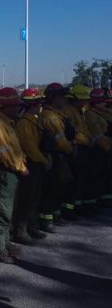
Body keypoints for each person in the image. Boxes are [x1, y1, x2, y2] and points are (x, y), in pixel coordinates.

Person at [0, 88, 29, 263]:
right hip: (3, 170)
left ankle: (6, 242)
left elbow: (14, 148)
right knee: (2, 210)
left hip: (10, 170)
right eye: (13, 105)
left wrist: (20, 164)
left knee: (9, 209)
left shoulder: (6, 122)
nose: (17, 109)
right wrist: (20, 167)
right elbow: (5, 152)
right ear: (4, 106)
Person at [15, 88, 49, 244]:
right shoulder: (24, 123)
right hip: (31, 163)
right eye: (38, 103)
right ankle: (21, 231)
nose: (40, 105)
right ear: (33, 105)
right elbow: (30, 147)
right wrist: (43, 160)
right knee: (27, 198)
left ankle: (33, 227)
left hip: (37, 162)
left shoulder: (32, 120)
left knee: (35, 197)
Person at [39, 83, 74, 232]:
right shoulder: (50, 116)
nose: (64, 100)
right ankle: (47, 220)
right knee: (51, 188)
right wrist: (70, 150)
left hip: (59, 155)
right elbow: (60, 140)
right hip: (55, 155)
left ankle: (55, 215)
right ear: (53, 98)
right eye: (61, 97)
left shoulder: (58, 114)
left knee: (58, 187)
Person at [61, 85, 92, 217]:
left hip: (82, 148)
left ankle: (75, 206)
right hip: (75, 149)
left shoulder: (80, 111)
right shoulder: (69, 112)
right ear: (73, 99)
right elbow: (73, 133)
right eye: (82, 100)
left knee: (79, 180)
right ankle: (68, 209)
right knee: (72, 181)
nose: (84, 102)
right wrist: (86, 141)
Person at [83, 88, 112, 209]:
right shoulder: (91, 115)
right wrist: (108, 148)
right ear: (95, 102)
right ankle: (92, 202)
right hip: (99, 151)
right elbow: (98, 135)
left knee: (106, 177)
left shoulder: (104, 113)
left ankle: (104, 198)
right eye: (103, 102)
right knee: (96, 177)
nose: (106, 104)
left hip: (106, 150)